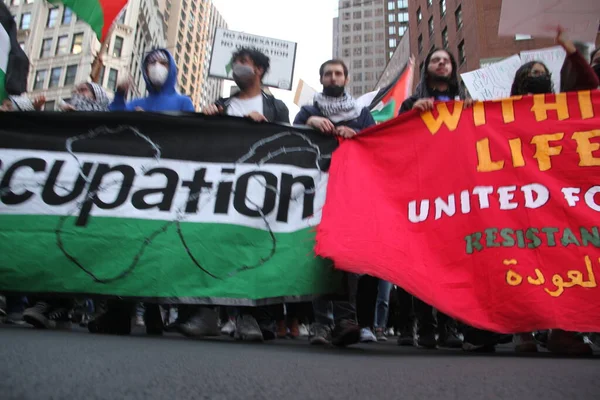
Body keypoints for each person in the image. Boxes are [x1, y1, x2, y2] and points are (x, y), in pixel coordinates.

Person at [398, 48, 494, 351]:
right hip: (423, 188)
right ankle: (424, 326)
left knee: (457, 260)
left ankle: (450, 326)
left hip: (459, 191)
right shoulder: (411, 104)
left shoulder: (467, 105)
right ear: (428, 70)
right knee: (425, 259)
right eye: (436, 60)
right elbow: (395, 140)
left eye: (447, 60)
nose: (442, 63)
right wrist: (411, 114)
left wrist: (477, 115)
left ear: (453, 68)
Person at [509, 29, 597, 356]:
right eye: (533, 75)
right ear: (520, 81)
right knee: (521, 261)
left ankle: (564, 331)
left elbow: (590, 88)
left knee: (563, 261)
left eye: (544, 75)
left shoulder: (564, 106)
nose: (539, 78)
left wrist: (572, 52)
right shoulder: (501, 112)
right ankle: (524, 331)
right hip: (518, 196)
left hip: (557, 196)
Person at [294, 59, 378, 346]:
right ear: (321, 79)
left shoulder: (362, 114)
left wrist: (356, 136)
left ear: (346, 78)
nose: (333, 77)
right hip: (315, 191)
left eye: (338, 73)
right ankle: (321, 323)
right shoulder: (308, 110)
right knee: (317, 254)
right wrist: (308, 122)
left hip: (350, 193)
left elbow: (376, 145)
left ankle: (345, 319)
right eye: (328, 74)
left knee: (346, 254)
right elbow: (290, 139)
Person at [203, 47, 289, 123]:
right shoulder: (220, 105)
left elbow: (286, 138)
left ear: (259, 69)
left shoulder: (277, 108)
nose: (237, 66)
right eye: (234, 64)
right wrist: (207, 118)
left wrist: (265, 126)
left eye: (243, 61)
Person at [109, 48, 194, 112]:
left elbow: (191, 132)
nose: (157, 67)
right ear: (146, 71)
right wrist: (120, 94)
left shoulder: (184, 103)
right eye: (152, 63)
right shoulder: (136, 104)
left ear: (171, 69)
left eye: (163, 63)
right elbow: (114, 119)